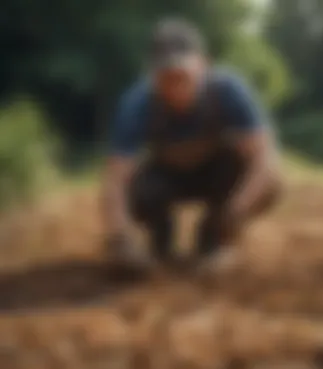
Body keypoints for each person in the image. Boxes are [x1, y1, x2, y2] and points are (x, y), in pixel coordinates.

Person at [101, 18, 282, 270]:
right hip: (165, 177)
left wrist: (233, 215)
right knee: (137, 190)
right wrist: (120, 238)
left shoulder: (229, 92)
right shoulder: (136, 104)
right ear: (152, 75)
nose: (175, 88)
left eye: (182, 76)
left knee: (271, 184)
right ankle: (161, 235)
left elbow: (265, 161)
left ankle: (215, 238)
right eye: (166, 78)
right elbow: (115, 180)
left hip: (219, 176)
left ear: (204, 66)